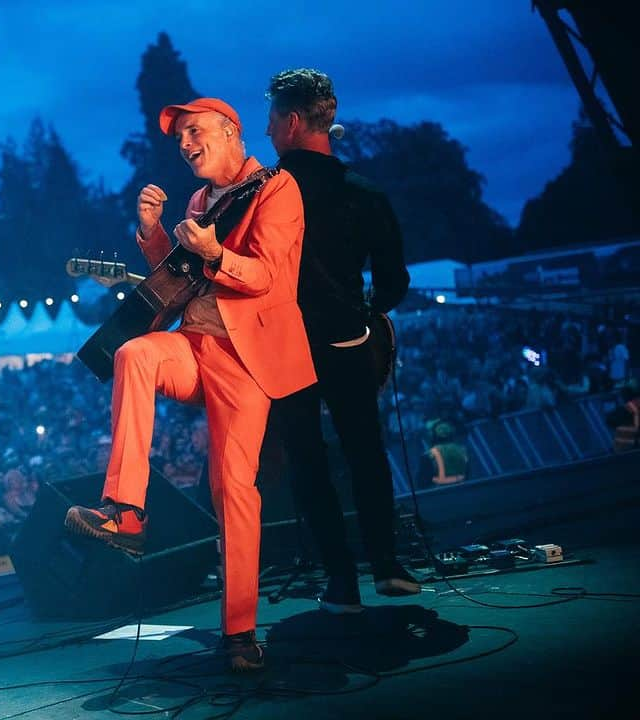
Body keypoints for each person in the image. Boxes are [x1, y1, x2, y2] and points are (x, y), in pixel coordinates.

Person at [65, 97, 316, 671]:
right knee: (133, 353)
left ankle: (239, 631)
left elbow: (268, 276)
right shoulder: (202, 200)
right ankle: (127, 511)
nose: (184, 143)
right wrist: (153, 233)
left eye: (194, 131)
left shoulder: (277, 189)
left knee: (233, 490)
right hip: (194, 345)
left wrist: (216, 252)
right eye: (179, 137)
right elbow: (178, 276)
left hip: (243, 358)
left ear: (232, 133)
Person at [258, 68, 419, 615]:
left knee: (308, 460)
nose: (268, 131)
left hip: (287, 345)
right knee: (366, 452)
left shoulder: (265, 193)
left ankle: (341, 583)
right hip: (350, 339)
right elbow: (394, 282)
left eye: (274, 120)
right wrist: (366, 313)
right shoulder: (365, 192)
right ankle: (388, 565)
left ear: (294, 121)